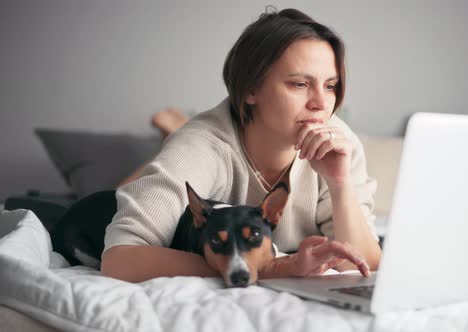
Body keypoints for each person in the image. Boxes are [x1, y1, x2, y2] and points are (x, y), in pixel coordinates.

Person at [102, 7, 382, 283]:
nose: (321, 104)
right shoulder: (199, 148)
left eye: (330, 86)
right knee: (112, 199)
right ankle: (172, 130)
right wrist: (271, 267)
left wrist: (339, 182)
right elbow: (119, 260)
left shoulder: (339, 142)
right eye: (299, 84)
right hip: (201, 145)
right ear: (251, 88)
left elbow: (362, 264)